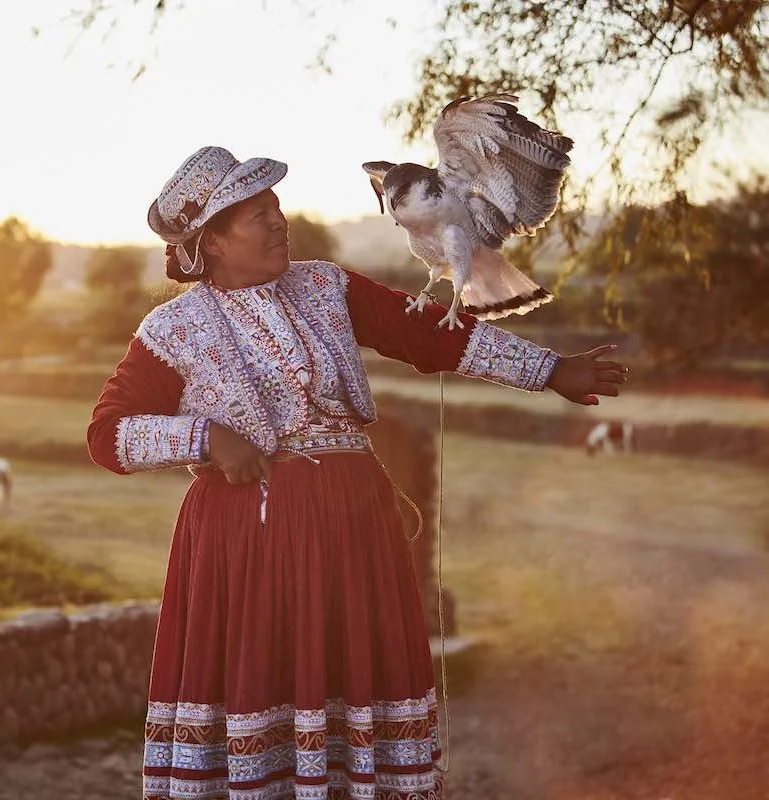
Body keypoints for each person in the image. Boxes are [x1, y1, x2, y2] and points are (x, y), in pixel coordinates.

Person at [86, 146, 626, 800]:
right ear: (214, 242)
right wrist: (206, 437)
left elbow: (429, 333)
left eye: (277, 207)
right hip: (249, 549)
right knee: (267, 688)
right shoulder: (173, 330)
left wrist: (550, 370)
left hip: (354, 530)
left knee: (355, 694)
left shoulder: (326, 287)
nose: (279, 221)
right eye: (259, 215)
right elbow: (107, 436)